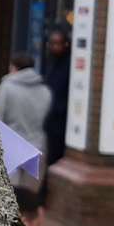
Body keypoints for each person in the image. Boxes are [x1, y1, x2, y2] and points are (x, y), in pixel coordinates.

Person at [0, 52, 52, 181]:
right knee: (28, 197)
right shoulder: (45, 91)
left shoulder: (6, 88)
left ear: (14, 68)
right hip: (37, 148)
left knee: (10, 194)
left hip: (12, 149)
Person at [42, 30, 71, 166]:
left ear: (66, 44)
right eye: (52, 44)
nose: (55, 47)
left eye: (58, 44)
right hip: (50, 118)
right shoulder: (50, 62)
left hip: (61, 119)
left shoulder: (68, 65)